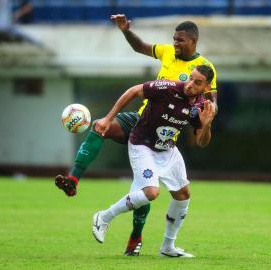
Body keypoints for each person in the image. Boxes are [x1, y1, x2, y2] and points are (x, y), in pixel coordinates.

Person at [55, 15, 218, 256]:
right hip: (143, 122)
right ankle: (74, 180)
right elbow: (139, 50)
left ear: (193, 41)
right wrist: (125, 31)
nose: (175, 43)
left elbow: (210, 106)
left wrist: (206, 123)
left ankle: (149, 242)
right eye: (174, 39)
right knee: (101, 127)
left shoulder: (205, 70)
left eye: (180, 40)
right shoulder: (167, 63)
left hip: (166, 139)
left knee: (170, 193)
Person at [91, 65, 216, 258]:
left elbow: (202, 142)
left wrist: (207, 125)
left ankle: (167, 247)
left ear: (207, 87)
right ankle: (104, 217)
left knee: (183, 194)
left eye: (197, 82)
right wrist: (108, 118)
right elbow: (133, 91)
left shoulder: (200, 107)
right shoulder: (167, 87)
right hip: (142, 144)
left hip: (167, 149)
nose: (190, 84)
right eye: (190, 78)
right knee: (151, 192)